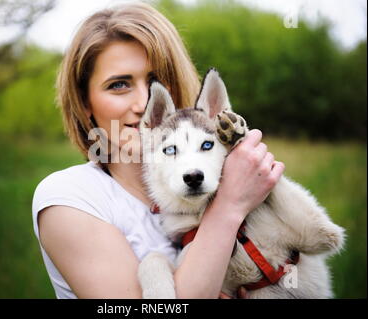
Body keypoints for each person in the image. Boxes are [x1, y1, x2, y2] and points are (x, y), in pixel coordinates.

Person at [32, 2, 284, 299]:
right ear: (85, 103)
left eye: (156, 81)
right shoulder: (71, 196)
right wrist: (229, 207)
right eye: (119, 85)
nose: (142, 103)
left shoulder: (222, 178)